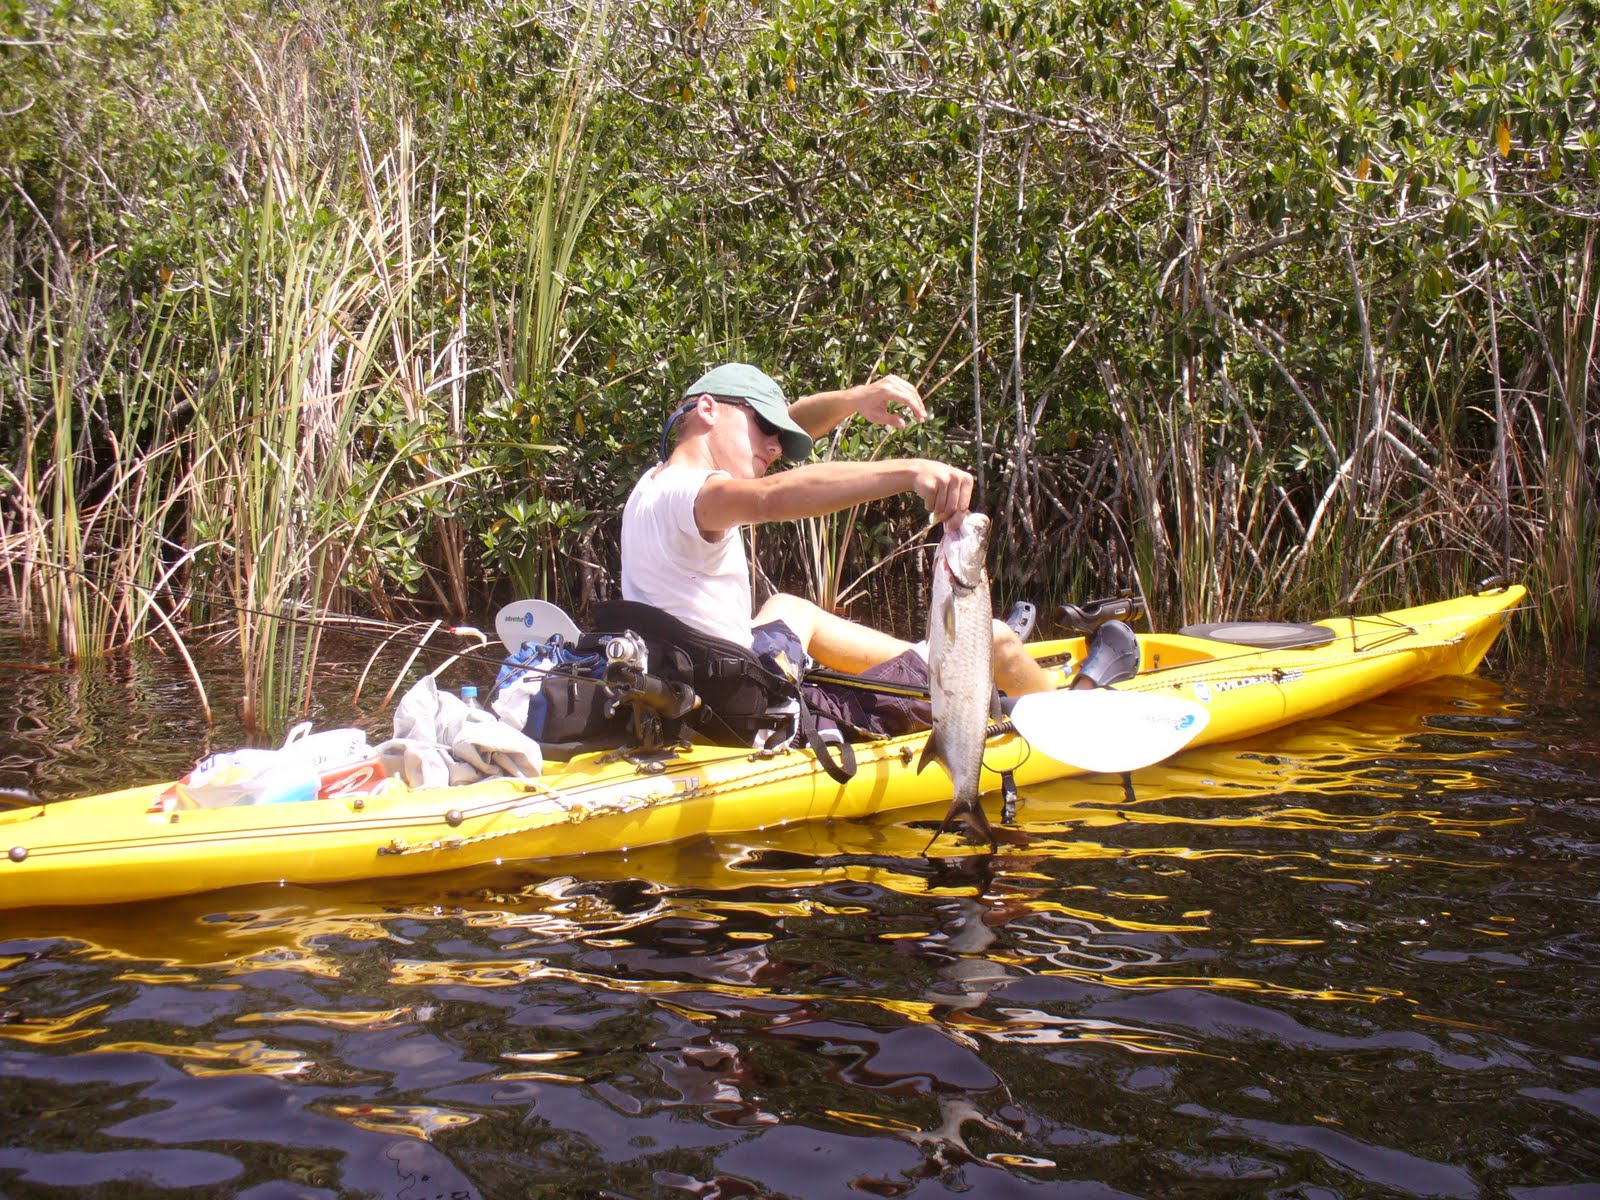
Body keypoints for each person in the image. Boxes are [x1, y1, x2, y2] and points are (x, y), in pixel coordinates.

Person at [620, 363, 1051, 734]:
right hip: (743, 713)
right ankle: (1067, 713)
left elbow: (786, 425)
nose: (773, 447)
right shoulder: (700, 496)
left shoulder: (655, 483)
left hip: (700, 678)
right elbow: (771, 498)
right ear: (709, 409)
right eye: (764, 430)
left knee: (792, 607)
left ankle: (917, 659)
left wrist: (853, 399)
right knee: (995, 641)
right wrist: (910, 470)